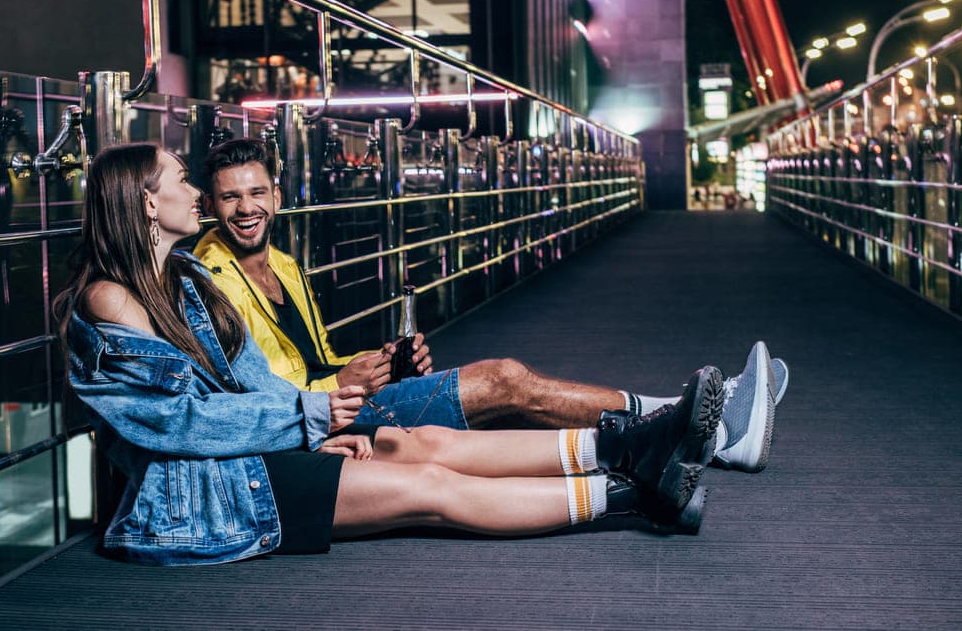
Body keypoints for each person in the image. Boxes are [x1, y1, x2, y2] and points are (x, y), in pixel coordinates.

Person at [56, 143, 724, 565]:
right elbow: (176, 426)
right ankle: (636, 493)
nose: (199, 194)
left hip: (253, 453)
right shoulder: (112, 302)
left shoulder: (187, 280)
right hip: (202, 497)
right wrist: (308, 419)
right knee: (429, 486)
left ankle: (627, 446)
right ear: (147, 203)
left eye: (251, 191)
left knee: (422, 441)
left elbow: (248, 381)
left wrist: (308, 430)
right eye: (183, 178)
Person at [194, 138, 788, 472]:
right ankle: (702, 420)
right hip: (315, 421)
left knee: (511, 399)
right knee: (505, 380)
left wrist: (380, 363)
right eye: (230, 197)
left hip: (344, 398)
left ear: (277, 194)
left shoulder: (288, 266)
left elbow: (316, 358)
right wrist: (338, 387)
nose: (246, 208)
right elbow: (241, 390)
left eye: (256, 192)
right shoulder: (206, 275)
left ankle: (704, 427)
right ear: (211, 206)